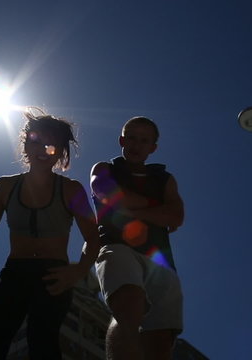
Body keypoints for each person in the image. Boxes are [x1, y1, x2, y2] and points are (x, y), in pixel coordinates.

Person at [0, 107, 100, 360]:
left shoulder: (71, 190)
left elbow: (95, 238)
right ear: (25, 144)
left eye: (52, 146)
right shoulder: (5, 186)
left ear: (61, 153)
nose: (43, 150)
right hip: (14, 273)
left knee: (43, 342)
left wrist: (79, 270)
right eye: (37, 142)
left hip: (54, 275)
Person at [90, 116, 185, 360]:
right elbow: (108, 193)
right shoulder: (105, 168)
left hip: (160, 258)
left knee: (161, 337)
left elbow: (175, 216)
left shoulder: (165, 178)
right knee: (129, 306)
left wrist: (131, 211)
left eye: (144, 140)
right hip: (116, 245)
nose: (136, 144)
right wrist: (156, 207)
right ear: (122, 140)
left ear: (153, 148)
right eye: (131, 137)